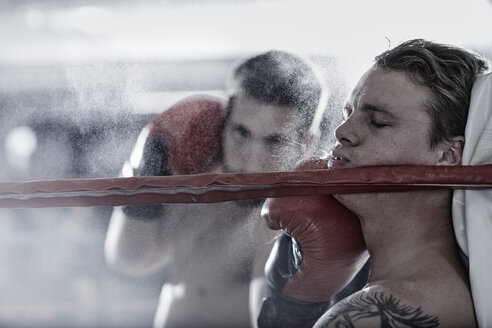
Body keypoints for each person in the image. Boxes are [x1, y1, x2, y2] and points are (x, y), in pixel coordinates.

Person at [259, 39, 489, 328]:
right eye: (347, 114)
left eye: (377, 122)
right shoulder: (444, 290)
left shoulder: (369, 315)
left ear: (447, 155)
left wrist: (293, 307)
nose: (342, 132)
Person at [104, 50, 327, 328]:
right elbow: (129, 259)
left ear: (306, 144)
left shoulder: (284, 225)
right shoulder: (201, 191)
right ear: (224, 124)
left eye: (275, 142)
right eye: (241, 133)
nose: (252, 160)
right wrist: (148, 162)